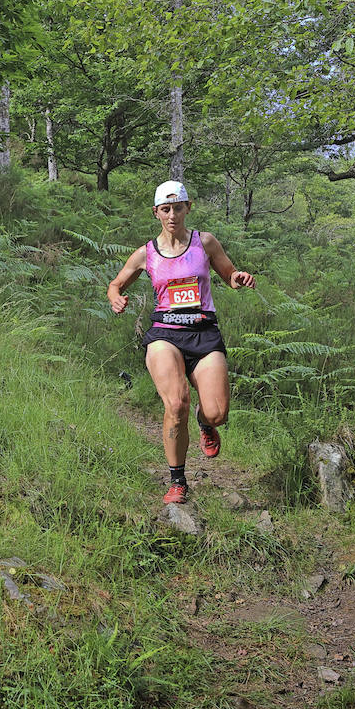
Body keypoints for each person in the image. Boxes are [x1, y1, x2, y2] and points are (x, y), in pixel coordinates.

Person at [107, 180, 256, 504]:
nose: (172, 214)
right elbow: (116, 283)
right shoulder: (146, 253)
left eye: (177, 208)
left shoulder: (205, 243)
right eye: (165, 209)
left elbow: (228, 275)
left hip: (204, 333)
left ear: (188, 208)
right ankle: (177, 480)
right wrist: (116, 296)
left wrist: (238, 278)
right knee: (176, 404)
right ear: (156, 212)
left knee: (217, 413)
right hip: (165, 335)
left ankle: (206, 424)